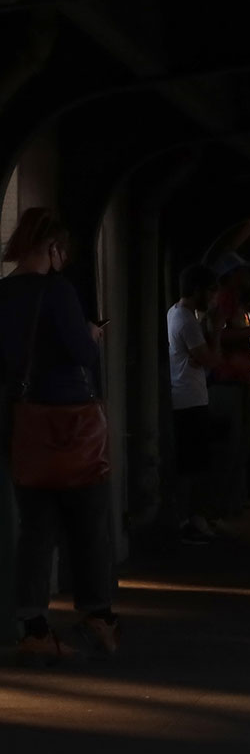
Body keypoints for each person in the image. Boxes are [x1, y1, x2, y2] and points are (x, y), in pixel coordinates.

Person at [0, 208, 119, 663]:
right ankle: (98, 616)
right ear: (51, 247)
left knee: (35, 529)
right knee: (89, 523)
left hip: (23, 423)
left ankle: (33, 627)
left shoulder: (3, 293)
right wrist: (91, 335)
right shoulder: (57, 290)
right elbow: (81, 353)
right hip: (70, 423)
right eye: (61, 251)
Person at [205, 250, 250, 521]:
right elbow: (219, 333)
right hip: (225, 381)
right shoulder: (225, 300)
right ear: (231, 276)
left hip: (235, 382)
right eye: (243, 271)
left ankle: (232, 502)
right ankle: (222, 508)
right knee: (228, 448)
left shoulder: (233, 301)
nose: (249, 276)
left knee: (238, 446)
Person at [168, 262, 224, 543]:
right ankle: (192, 521)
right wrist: (217, 331)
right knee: (196, 466)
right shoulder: (188, 321)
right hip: (190, 400)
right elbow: (212, 360)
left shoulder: (175, 314)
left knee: (190, 464)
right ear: (198, 290)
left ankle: (188, 519)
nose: (215, 298)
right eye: (212, 291)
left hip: (184, 397)